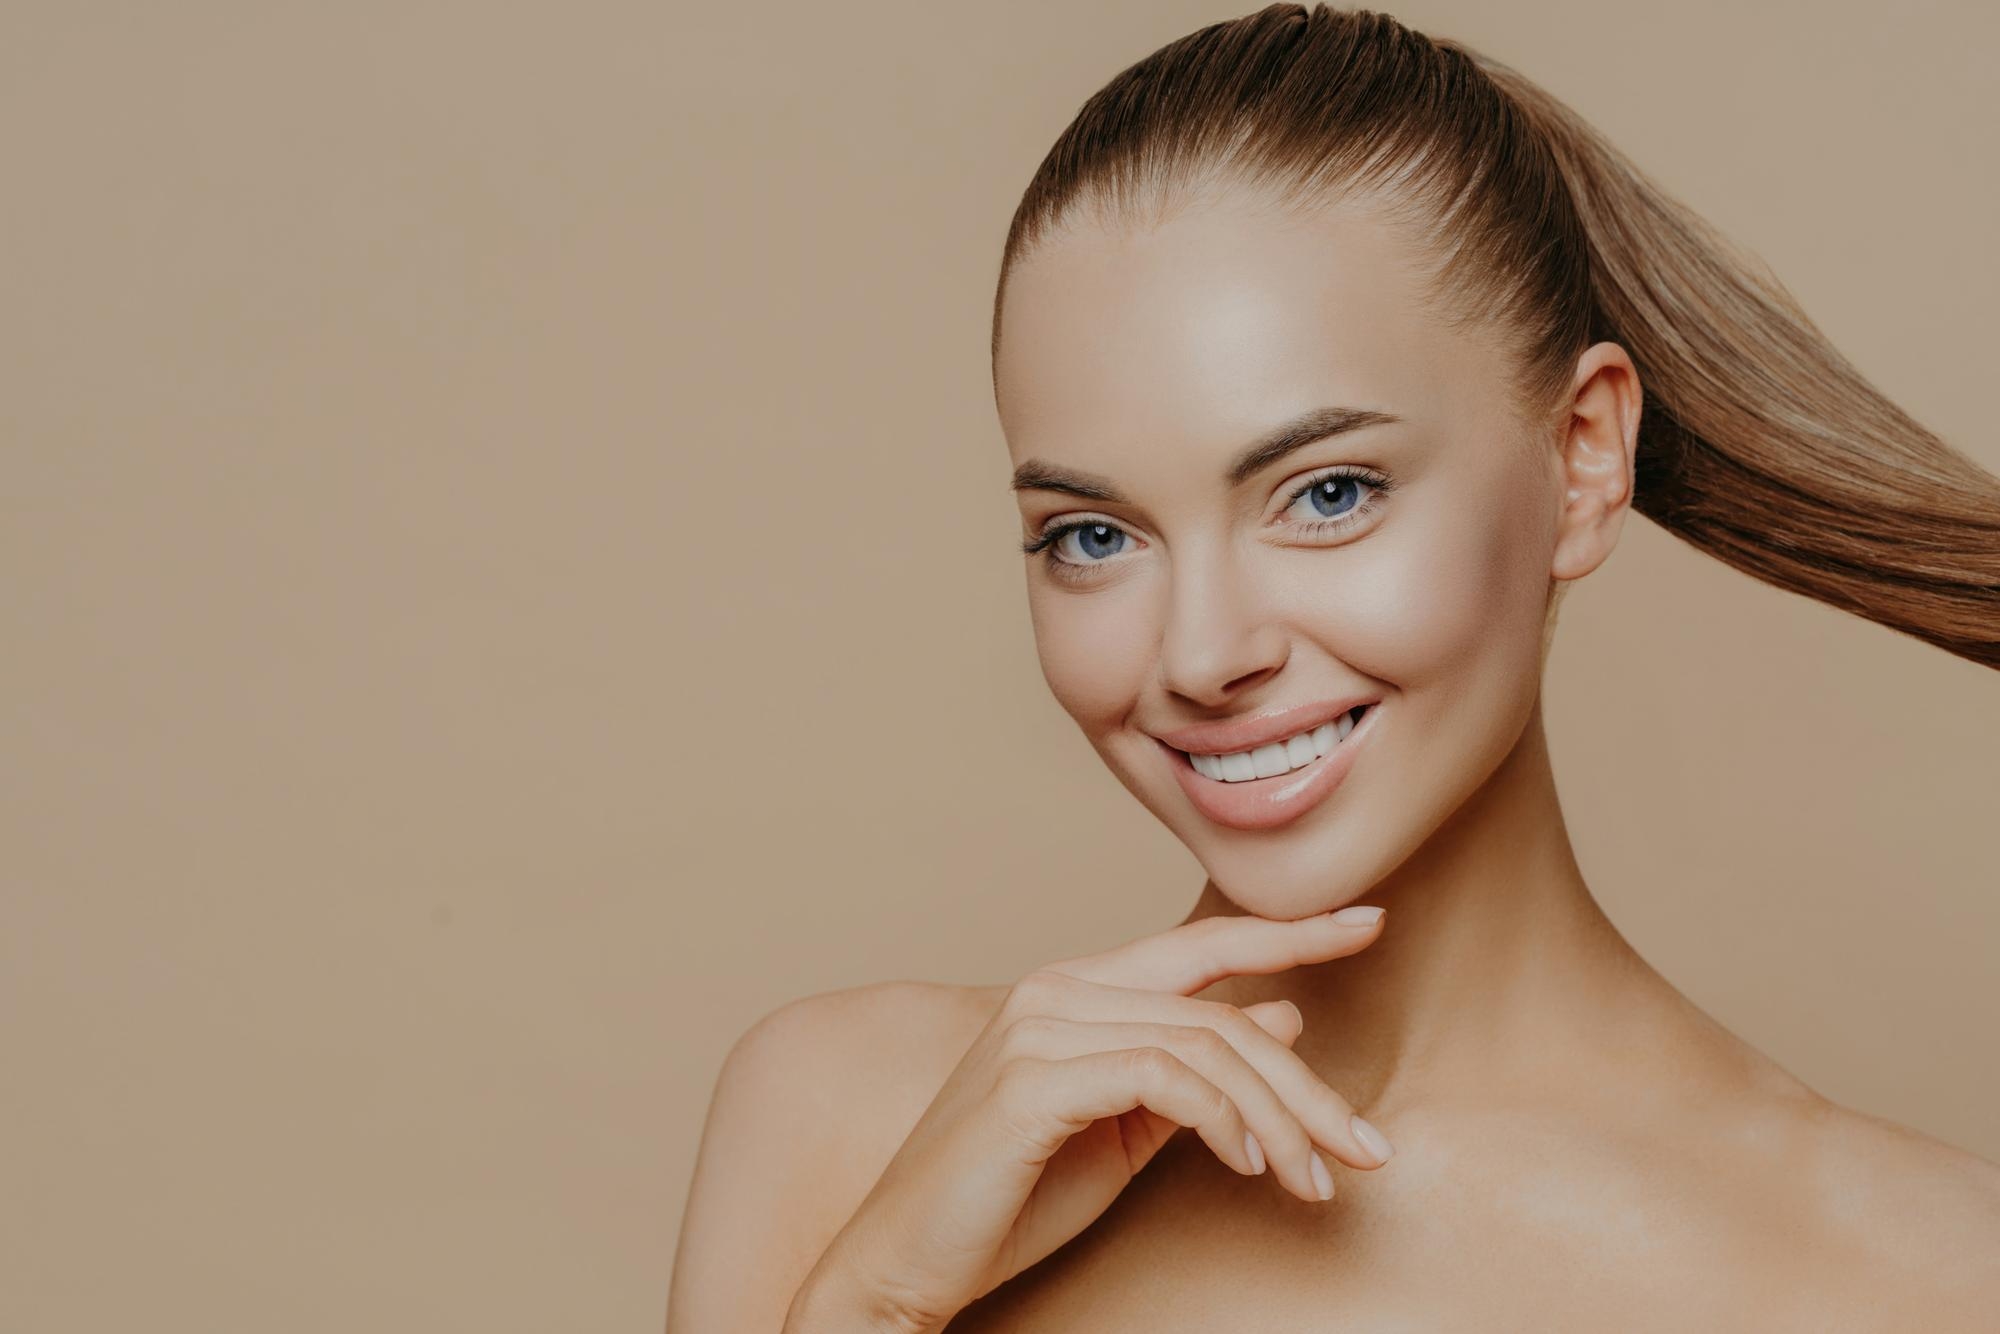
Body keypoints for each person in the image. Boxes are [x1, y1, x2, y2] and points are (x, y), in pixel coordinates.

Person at [667, 5, 2000, 1329]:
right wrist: (873, 1297)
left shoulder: (1923, 1274)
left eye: (1326, 494)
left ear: (1586, 453)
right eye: (1092, 534)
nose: (1202, 653)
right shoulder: (846, 1123)